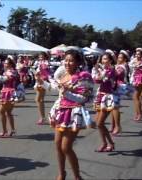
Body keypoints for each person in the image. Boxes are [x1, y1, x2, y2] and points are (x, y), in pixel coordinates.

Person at [37, 50, 94, 180]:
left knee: (66, 147)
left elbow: (84, 99)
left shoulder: (84, 76)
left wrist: (67, 93)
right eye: (66, 60)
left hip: (74, 113)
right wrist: (42, 82)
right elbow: (55, 89)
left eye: (71, 60)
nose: (67, 63)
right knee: (58, 145)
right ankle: (62, 174)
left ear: (78, 62)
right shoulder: (63, 75)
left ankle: (77, 176)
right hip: (61, 111)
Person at [92, 52, 117, 152]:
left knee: (99, 123)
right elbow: (96, 80)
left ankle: (110, 143)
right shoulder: (104, 70)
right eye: (102, 59)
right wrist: (97, 70)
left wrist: (98, 70)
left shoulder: (111, 70)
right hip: (100, 95)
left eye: (106, 59)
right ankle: (105, 143)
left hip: (107, 97)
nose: (103, 61)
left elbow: (101, 79)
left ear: (110, 60)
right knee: (98, 123)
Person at [0, 57, 18, 138]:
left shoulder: (12, 72)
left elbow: (5, 79)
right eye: (4, 63)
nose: (4, 64)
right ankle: (11, 130)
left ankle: (5, 131)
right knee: (8, 112)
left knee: (1, 112)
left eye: (6, 63)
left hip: (9, 92)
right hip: (5, 91)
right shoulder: (7, 71)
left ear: (10, 64)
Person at [33, 52, 51, 125]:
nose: (41, 58)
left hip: (42, 81)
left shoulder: (45, 63)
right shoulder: (39, 63)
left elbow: (46, 73)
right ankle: (43, 117)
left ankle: (42, 117)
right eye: (40, 57)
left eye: (42, 57)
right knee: (40, 100)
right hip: (39, 81)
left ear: (45, 57)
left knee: (38, 99)